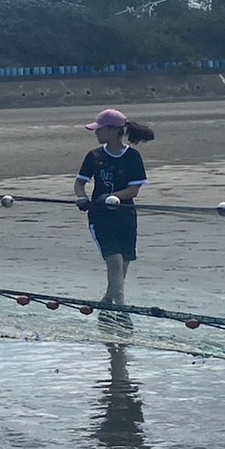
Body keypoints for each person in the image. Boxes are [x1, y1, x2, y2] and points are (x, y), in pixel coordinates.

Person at [72, 108, 155, 319]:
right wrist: (82, 197)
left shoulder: (132, 157)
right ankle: (122, 307)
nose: (96, 133)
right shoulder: (94, 156)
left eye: (99, 129)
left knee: (124, 260)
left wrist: (112, 196)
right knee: (114, 260)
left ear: (113, 130)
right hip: (100, 216)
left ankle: (107, 302)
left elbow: (133, 190)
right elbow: (80, 183)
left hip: (125, 215)